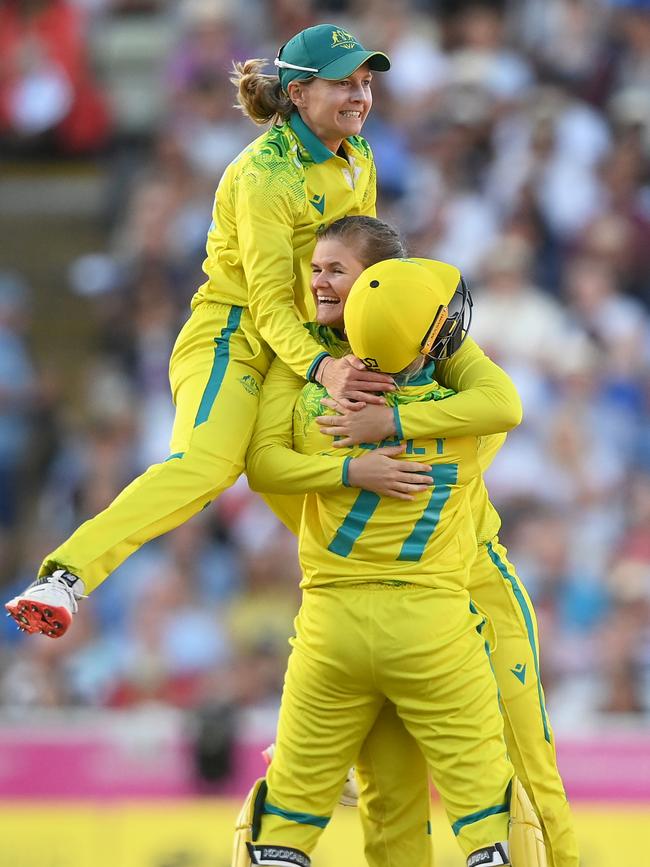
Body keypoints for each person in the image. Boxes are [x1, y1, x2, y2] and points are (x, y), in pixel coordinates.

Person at [5, 22, 399, 638]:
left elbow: (361, 271)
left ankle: (385, 604)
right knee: (208, 466)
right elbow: (268, 302)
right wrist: (327, 368)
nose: (360, 97)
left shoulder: (360, 157)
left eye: (366, 83)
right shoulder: (266, 176)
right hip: (234, 337)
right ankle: (65, 576)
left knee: (313, 473)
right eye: (343, 84)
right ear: (297, 95)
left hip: (305, 346)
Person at [245, 216, 578, 867]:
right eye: (318, 272)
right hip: (415, 600)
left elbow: (268, 473)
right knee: (401, 800)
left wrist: (376, 421)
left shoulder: (313, 392)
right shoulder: (437, 383)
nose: (321, 285)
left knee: (527, 774)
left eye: (338, 273)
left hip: (430, 589)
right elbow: (499, 406)